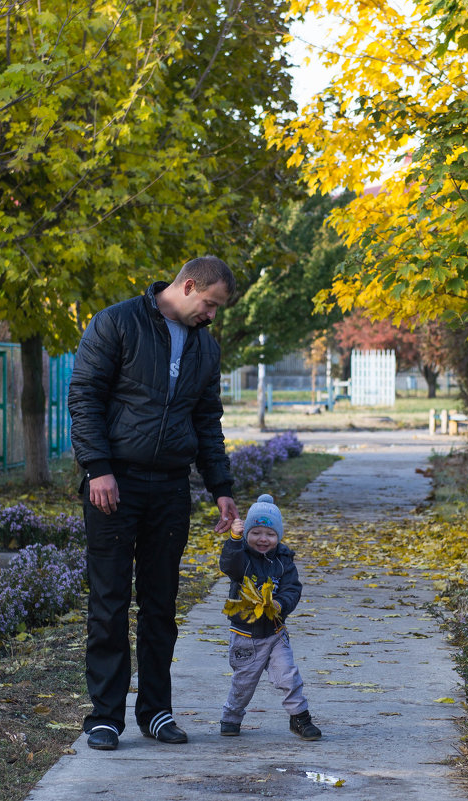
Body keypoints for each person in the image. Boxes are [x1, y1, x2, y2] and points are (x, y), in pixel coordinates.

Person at [68, 256, 240, 751]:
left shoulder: (205, 348)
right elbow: (85, 397)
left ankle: (157, 712)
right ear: (188, 286)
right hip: (113, 485)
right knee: (109, 602)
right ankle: (105, 717)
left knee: (161, 606)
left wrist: (221, 487)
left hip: (169, 489)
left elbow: (208, 421)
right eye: (209, 304)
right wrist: (97, 467)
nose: (212, 316)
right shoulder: (116, 322)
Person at [218, 494, 321, 740]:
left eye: (270, 534)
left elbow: (292, 589)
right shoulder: (241, 556)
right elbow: (228, 566)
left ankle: (300, 718)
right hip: (245, 633)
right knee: (243, 683)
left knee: (289, 675)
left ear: (278, 536)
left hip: (275, 633)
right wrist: (234, 539)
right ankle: (231, 717)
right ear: (247, 534)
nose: (263, 539)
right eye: (256, 532)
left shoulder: (284, 561)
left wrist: (281, 603)